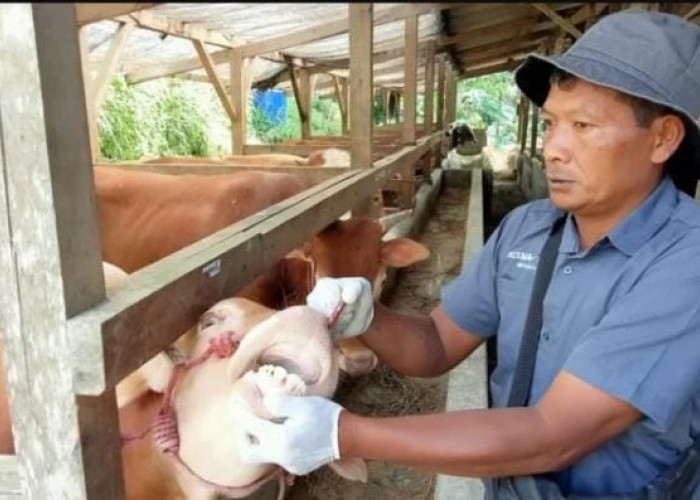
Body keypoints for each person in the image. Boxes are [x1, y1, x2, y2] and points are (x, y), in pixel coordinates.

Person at [238, 10, 700, 499]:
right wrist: (369, 317)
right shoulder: (528, 228)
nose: (553, 149)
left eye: (583, 126)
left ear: (663, 139)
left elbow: (553, 435)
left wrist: (344, 433)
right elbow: (437, 343)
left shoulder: (683, 266)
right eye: (550, 123)